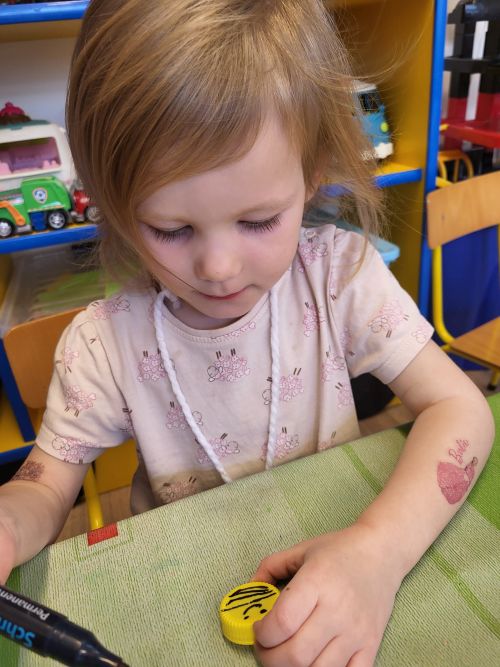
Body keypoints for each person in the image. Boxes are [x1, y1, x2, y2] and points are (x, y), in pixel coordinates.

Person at [0, 1, 494, 665]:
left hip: (344, 559)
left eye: (258, 220)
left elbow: (462, 409)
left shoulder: (340, 280)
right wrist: (9, 521)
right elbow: (42, 487)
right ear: (114, 201)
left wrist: (380, 551)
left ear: (312, 174)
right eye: (171, 229)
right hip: (178, 598)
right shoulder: (104, 345)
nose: (218, 268)